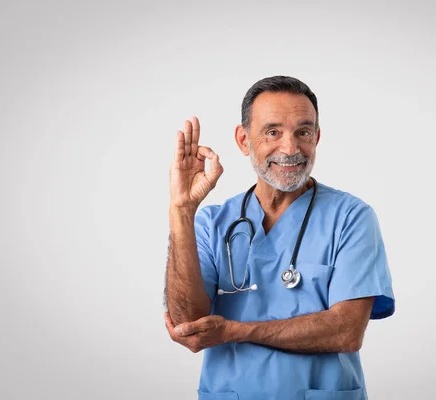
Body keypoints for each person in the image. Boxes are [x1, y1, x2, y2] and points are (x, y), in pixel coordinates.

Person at [163, 76, 395, 400]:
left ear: (316, 136)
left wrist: (236, 331)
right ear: (244, 140)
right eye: (273, 132)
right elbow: (188, 322)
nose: (290, 148)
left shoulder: (351, 218)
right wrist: (182, 209)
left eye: (303, 132)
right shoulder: (210, 224)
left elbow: (347, 330)